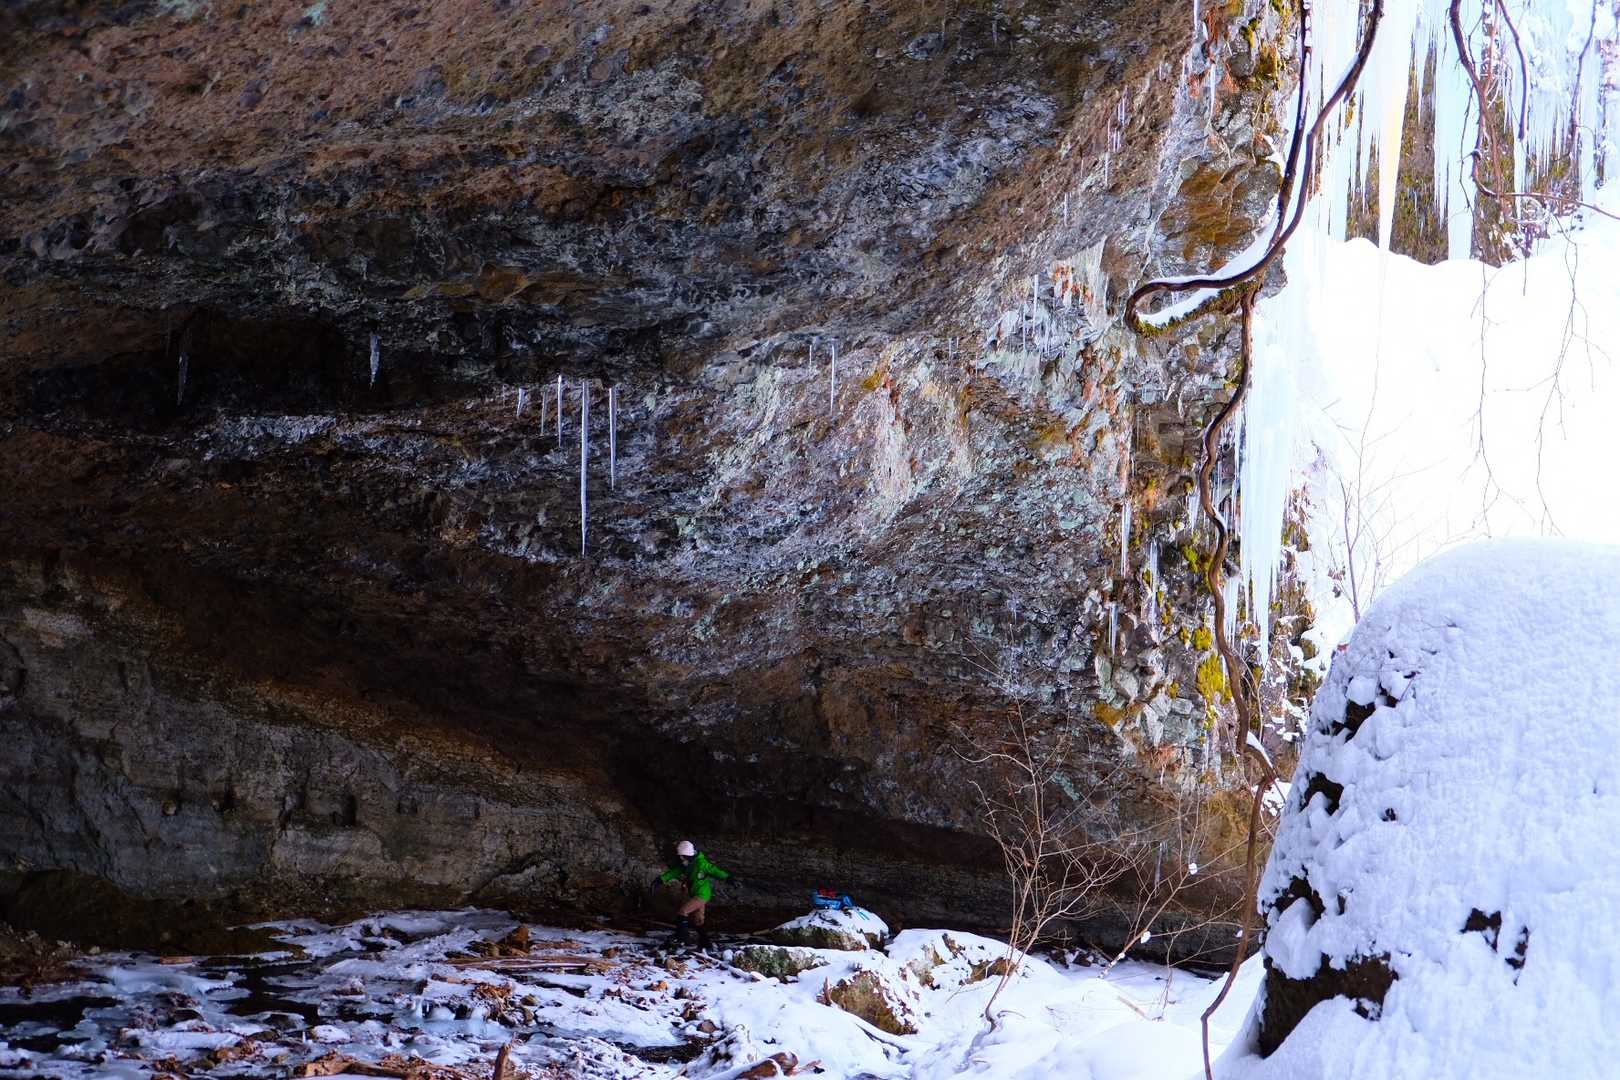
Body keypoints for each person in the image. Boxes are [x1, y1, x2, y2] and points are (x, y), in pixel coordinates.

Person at [652, 839, 731, 949]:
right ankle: (706, 943)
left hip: (702, 894)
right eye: (680, 856)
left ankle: (682, 938)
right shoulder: (687, 864)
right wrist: (661, 879)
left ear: (689, 855)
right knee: (698, 920)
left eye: (683, 856)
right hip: (695, 894)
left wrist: (728, 878)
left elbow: (714, 870)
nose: (681, 858)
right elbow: (675, 871)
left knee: (683, 912)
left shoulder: (701, 864)